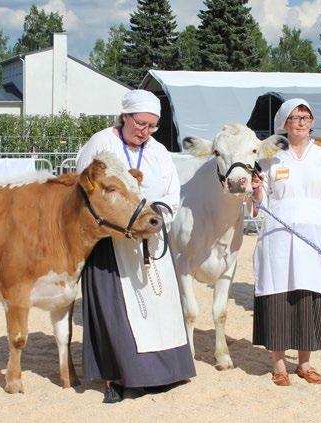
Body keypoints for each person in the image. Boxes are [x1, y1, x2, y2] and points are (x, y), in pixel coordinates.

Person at [76, 90, 195, 403]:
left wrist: (155, 216)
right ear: (125, 116)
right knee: (115, 311)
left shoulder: (158, 152)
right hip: (110, 241)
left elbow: (172, 192)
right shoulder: (102, 143)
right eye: (141, 123)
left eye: (152, 126)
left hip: (151, 238)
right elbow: (84, 184)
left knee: (160, 308)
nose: (145, 131)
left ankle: (163, 374)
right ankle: (117, 379)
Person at [251, 98, 321, 385]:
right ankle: (279, 365)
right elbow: (261, 203)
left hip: (316, 238)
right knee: (278, 296)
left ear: (311, 122)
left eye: (306, 117)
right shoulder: (270, 157)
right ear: (283, 123)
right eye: (294, 117)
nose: (300, 122)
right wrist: (257, 190)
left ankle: (305, 364)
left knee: (310, 296)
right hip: (277, 236)